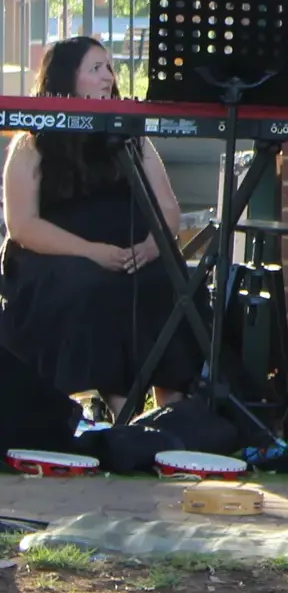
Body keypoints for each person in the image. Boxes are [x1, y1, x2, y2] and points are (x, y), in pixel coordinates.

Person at [0, 37, 195, 413]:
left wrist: (152, 247)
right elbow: (22, 225)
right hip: (58, 258)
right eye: (95, 69)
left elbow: (168, 209)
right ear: (66, 79)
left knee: (166, 280)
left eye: (109, 67)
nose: (108, 77)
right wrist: (92, 252)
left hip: (132, 253)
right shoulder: (32, 143)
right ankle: (121, 410)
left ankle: (175, 410)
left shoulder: (132, 137)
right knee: (91, 285)